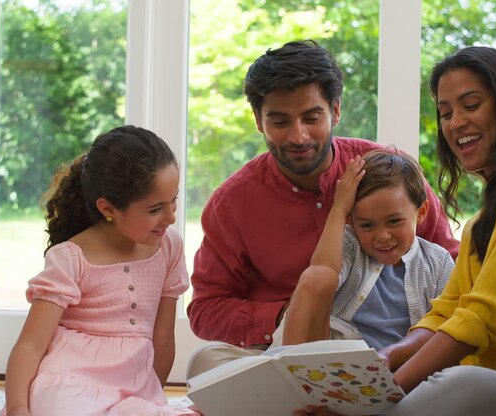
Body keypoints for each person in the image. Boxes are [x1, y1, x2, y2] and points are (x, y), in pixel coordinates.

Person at [294, 46, 496, 416]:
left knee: (457, 384)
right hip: (493, 378)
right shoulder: (486, 216)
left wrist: (383, 394)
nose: (455, 122)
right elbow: (449, 309)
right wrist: (389, 357)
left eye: (471, 104)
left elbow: (482, 318)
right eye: (446, 112)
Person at [186, 40, 460, 378]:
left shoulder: (387, 172)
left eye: (311, 118)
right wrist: (293, 314)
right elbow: (206, 308)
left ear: (336, 111)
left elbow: (454, 263)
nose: (298, 137)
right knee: (207, 362)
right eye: (280, 121)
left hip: (392, 350)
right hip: (282, 347)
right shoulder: (233, 202)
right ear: (258, 120)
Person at [1, 126, 198, 416]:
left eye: (174, 201)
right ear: (108, 208)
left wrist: (153, 400)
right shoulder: (71, 258)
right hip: (70, 384)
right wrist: (18, 409)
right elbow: (30, 346)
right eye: (155, 209)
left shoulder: (168, 246)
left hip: (135, 388)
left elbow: (163, 338)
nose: (170, 217)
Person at [281, 149, 454, 350]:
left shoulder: (438, 261)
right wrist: (339, 209)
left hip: (406, 366)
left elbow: (446, 326)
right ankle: (292, 369)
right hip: (336, 361)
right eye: (367, 225)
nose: (382, 236)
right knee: (316, 276)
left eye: (394, 221)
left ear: (421, 212)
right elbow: (319, 278)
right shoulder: (351, 246)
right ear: (351, 223)